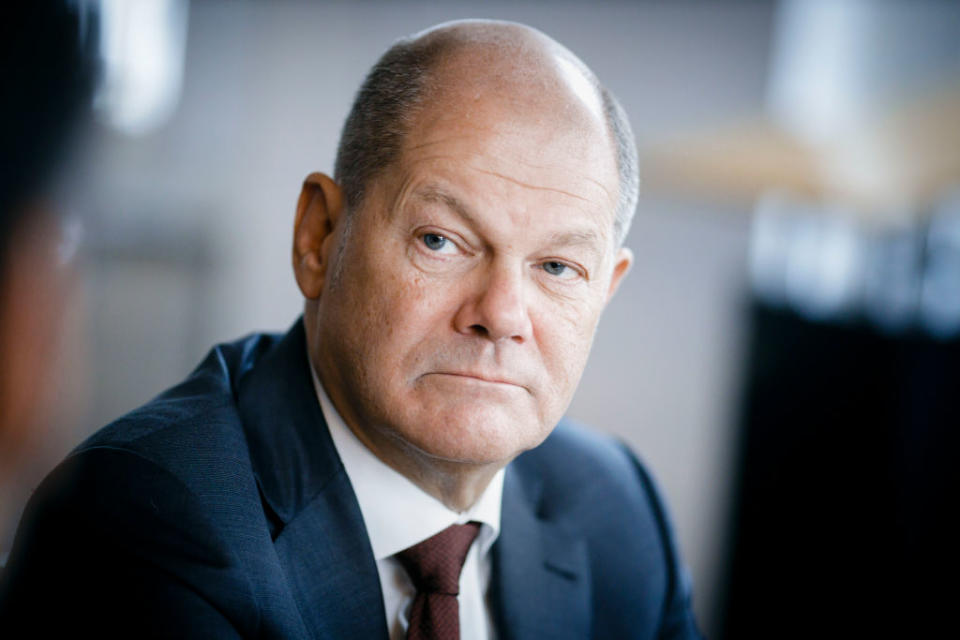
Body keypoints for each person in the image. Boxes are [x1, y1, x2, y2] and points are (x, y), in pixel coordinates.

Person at [0, 19, 702, 639]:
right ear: (319, 236)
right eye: (441, 241)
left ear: (605, 289)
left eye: (556, 266)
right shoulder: (143, 524)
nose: (501, 314)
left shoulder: (617, 507)